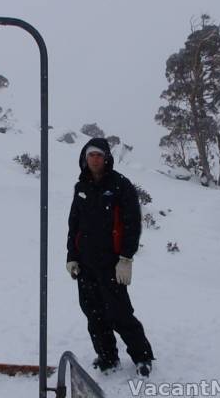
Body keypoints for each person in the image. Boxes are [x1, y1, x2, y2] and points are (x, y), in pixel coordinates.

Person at [66, 137, 154, 377]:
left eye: (99, 155)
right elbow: (74, 224)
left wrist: (126, 258)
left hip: (111, 263)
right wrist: (71, 256)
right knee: (93, 312)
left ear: (106, 158)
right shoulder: (81, 187)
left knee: (119, 312)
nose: (95, 159)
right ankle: (107, 356)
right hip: (85, 263)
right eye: (91, 155)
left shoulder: (119, 185)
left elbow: (132, 224)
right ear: (85, 158)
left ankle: (142, 357)